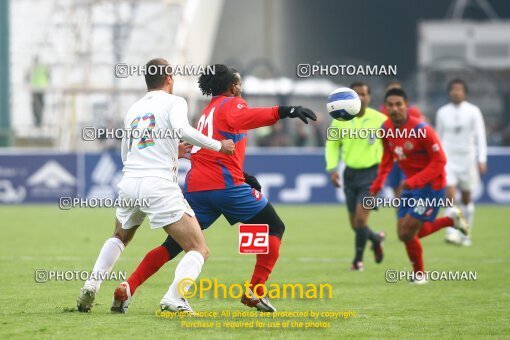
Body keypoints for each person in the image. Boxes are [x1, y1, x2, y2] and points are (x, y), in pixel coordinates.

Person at [110, 64, 316, 313]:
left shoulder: (207, 111)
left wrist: (243, 175)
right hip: (224, 186)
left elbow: (205, 149)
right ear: (231, 86)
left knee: (174, 245)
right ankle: (255, 290)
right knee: (274, 226)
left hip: (198, 187)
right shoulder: (232, 104)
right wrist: (287, 110)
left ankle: (128, 287)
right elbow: (247, 117)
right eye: (238, 83)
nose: (240, 87)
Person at [76, 58, 235, 314]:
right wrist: (219, 145)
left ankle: (90, 287)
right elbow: (183, 129)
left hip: (130, 183)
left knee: (120, 236)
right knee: (198, 248)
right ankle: (174, 297)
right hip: (158, 185)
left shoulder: (133, 108)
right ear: (169, 78)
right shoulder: (175, 102)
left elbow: (126, 153)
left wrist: (172, 152)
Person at [370, 88, 469, 284]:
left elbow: (440, 161)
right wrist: (376, 187)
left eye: (399, 104)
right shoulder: (385, 129)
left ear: (407, 105)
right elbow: (387, 160)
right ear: (385, 107)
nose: (394, 108)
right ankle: (450, 221)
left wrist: (413, 181)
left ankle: (419, 275)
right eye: (390, 105)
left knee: (408, 232)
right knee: (403, 233)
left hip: (431, 186)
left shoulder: (422, 130)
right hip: (411, 186)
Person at [325, 82, 386, 271]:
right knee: (355, 224)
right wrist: (332, 169)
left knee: (360, 220)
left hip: (372, 175)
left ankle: (357, 261)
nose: (360, 97)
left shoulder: (381, 119)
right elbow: (332, 145)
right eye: (356, 94)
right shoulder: (340, 119)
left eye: (364, 94)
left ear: (369, 97)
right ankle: (375, 239)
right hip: (350, 175)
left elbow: (391, 144)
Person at [436, 79, 487, 246]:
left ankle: (465, 234)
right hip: (448, 158)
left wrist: (482, 159)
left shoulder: (473, 111)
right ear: (449, 92)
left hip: (467, 158)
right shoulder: (442, 112)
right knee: (449, 196)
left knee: (466, 199)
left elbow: (480, 136)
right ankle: (451, 232)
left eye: (459, 89)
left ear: (465, 93)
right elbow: (438, 137)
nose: (456, 92)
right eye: (453, 89)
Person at [379, 81, 424, 198]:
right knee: (395, 188)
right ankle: (400, 215)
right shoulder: (382, 110)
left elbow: (423, 131)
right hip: (392, 156)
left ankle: (410, 213)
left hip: (410, 156)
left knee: (408, 186)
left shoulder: (413, 110)